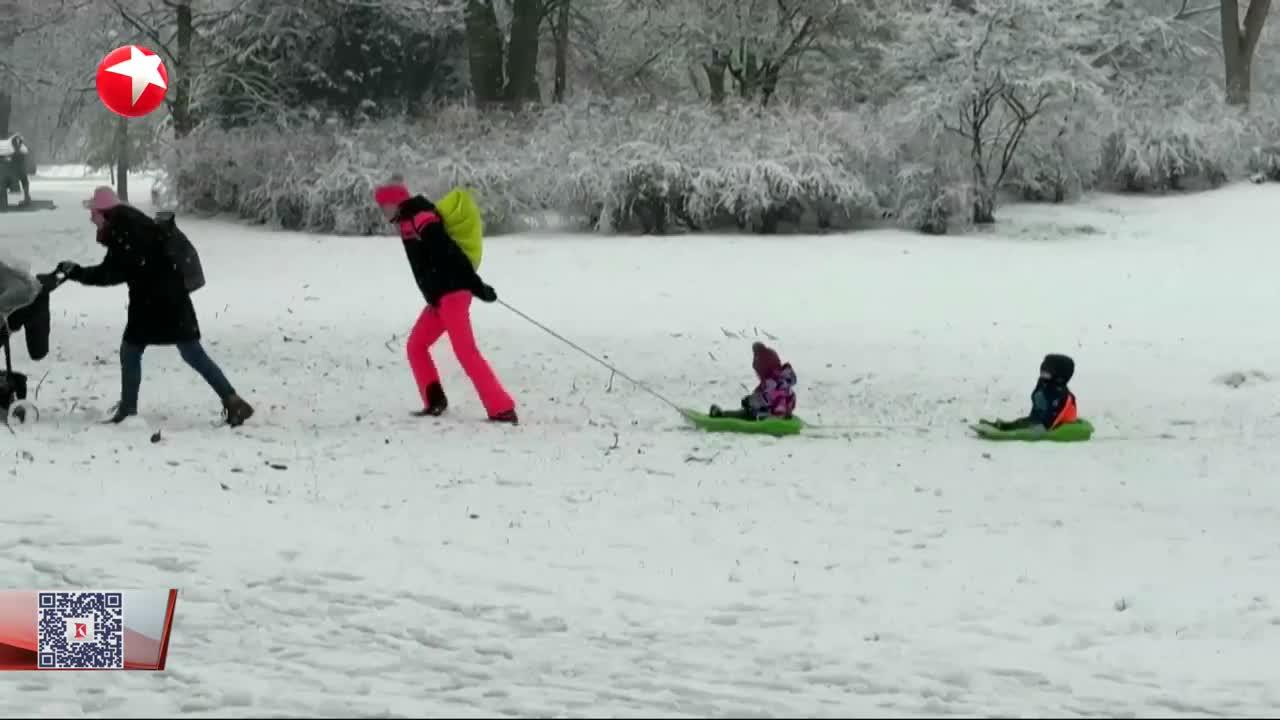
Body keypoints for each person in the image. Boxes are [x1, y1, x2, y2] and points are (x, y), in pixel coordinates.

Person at [56, 186, 254, 426]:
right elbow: (123, 267)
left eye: (93, 213)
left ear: (104, 213)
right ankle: (233, 400)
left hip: (153, 304)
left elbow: (110, 273)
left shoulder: (123, 231)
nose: (91, 218)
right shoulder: (131, 224)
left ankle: (128, 410)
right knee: (191, 352)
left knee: (131, 350)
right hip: (172, 299)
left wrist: (76, 272)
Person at [373, 178, 517, 424]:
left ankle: (502, 408)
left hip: (453, 294)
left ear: (396, 202)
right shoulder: (407, 221)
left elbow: (448, 251)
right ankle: (435, 401)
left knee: (465, 351)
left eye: (385, 205)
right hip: (440, 298)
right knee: (416, 346)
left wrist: (476, 285)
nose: (382, 211)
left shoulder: (421, 217)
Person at [985, 353, 1078, 432]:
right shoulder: (1043, 383)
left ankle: (1006, 430)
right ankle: (1004, 427)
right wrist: (1032, 419)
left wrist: (1042, 428)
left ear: (1060, 375)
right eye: (1043, 371)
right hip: (1040, 418)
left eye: (1047, 373)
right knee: (1021, 423)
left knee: (1026, 425)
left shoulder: (1062, 395)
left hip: (1056, 422)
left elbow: (1055, 415)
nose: (1043, 375)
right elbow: (1038, 403)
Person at [709, 342, 797, 420]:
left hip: (772, 417)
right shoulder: (780, 381)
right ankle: (723, 415)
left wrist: (749, 401)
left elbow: (766, 398)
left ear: (764, 368)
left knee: (746, 414)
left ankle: (721, 416)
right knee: (746, 412)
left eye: (759, 371)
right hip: (775, 413)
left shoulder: (775, 383)